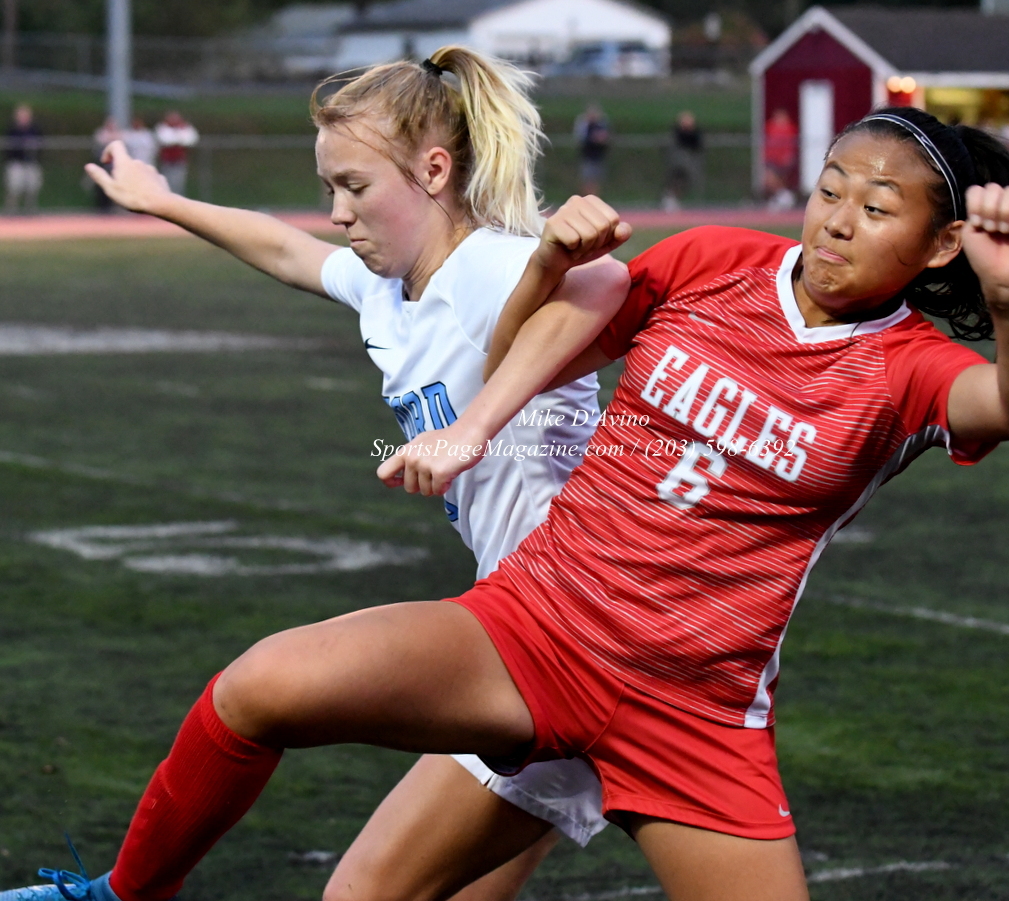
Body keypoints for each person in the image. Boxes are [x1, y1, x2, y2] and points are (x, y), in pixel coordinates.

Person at [2, 107, 1009, 901]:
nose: (837, 217)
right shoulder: (716, 260)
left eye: (876, 207)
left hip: (692, 705)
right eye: (830, 188)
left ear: (941, 244)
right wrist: (504, 365)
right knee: (260, 691)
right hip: (537, 627)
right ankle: (130, 894)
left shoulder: (909, 367)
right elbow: (537, 342)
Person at [46, 47, 632, 901]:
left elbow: (606, 277)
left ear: (435, 171)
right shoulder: (389, 286)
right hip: (530, 629)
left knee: (281, 732)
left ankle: (121, 894)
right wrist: (163, 200)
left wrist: (472, 427)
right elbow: (286, 249)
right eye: (329, 188)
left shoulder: (485, 266)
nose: (336, 212)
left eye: (355, 186)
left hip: (569, 628)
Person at [4, 104, 43, 214]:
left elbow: (41, 144)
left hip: (31, 163)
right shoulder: (12, 129)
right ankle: (11, 211)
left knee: (32, 187)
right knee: (14, 187)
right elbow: (8, 147)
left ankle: (30, 211)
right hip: (16, 163)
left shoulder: (35, 129)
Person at [662, 110, 703, 211]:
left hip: (690, 160)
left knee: (687, 180)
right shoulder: (678, 133)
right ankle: (669, 198)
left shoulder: (695, 133)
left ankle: (675, 198)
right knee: (677, 178)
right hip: (680, 160)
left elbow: (697, 145)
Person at [154, 111, 199, 196]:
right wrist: (177, 139)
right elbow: (166, 140)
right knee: (165, 181)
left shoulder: (185, 127)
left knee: (178, 183)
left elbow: (190, 140)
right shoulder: (162, 127)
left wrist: (177, 139)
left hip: (179, 160)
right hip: (166, 160)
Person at [762, 106, 798, 203]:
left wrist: (789, 156)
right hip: (772, 158)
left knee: (781, 179)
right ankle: (783, 196)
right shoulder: (770, 126)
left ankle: (784, 197)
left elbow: (791, 144)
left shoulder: (790, 128)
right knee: (769, 178)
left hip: (783, 159)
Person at [574, 104, 609, 195]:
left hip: (598, 157)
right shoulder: (584, 125)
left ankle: (594, 197)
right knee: (587, 180)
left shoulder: (601, 125)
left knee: (596, 181)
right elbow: (581, 139)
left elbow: (606, 138)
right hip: (587, 157)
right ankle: (586, 198)